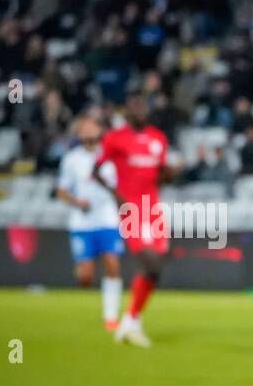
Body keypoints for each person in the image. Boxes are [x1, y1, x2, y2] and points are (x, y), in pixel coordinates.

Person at [93, 93, 175, 347]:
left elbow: (161, 176)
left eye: (143, 107)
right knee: (151, 265)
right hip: (131, 209)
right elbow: (96, 171)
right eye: (135, 107)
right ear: (127, 112)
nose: (140, 111)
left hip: (153, 209)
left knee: (155, 269)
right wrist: (115, 194)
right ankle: (131, 321)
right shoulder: (115, 139)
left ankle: (130, 321)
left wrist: (170, 174)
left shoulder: (158, 139)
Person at [55, 114, 122, 329]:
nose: (88, 130)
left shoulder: (110, 157)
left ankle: (110, 316)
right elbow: (62, 191)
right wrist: (77, 202)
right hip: (82, 221)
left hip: (107, 217)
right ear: (78, 133)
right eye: (83, 127)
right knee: (85, 277)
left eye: (91, 126)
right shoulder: (72, 159)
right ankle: (88, 286)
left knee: (112, 264)